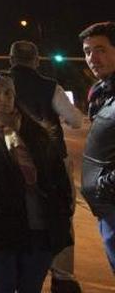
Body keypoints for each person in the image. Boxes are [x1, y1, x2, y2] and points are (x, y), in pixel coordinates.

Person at [0, 71, 73, 293]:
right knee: (3, 285)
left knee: (31, 286)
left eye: (8, 93)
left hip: (40, 225)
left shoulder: (35, 131)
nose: (3, 98)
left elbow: (58, 175)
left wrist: (64, 211)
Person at [7, 40, 85, 293]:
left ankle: (24, 268)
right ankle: (62, 274)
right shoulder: (50, 87)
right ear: (36, 60)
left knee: (21, 212)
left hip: (12, 158)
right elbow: (75, 120)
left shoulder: (0, 85)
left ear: (11, 59)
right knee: (61, 212)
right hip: (51, 160)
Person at [79, 20, 115, 274]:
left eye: (101, 49)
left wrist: (106, 183)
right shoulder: (100, 92)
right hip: (107, 208)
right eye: (87, 51)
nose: (93, 57)